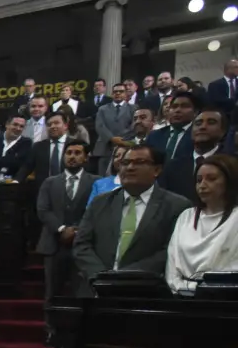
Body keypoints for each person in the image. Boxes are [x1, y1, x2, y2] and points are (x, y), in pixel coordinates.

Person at [71, 145, 192, 297]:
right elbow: (81, 245)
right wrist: (101, 278)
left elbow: (170, 251)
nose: (129, 167)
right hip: (96, 291)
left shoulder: (177, 206)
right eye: (125, 162)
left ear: (157, 170)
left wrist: (124, 278)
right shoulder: (100, 202)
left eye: (139, 162)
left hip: (145, 293)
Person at [36, 140, 97, 336]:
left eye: (78, 153)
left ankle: (81, 332)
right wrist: (62, 229)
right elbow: (43, 210)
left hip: (84, 245)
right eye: (69, 152)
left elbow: (96, 211)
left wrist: (77, 231)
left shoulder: (96, 182)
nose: (72, 156)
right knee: (52, 292)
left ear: (86, 157)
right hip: (54, 244)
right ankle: (51, 330)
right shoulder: (50, 182)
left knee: (82, 291)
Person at [167, 155, 238, 295]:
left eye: (211, 179)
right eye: (199, 180)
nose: (202, 185)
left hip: (226, 298)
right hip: (182, 297)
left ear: (230, 181)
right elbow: (172, 266)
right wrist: (184, 290)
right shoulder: (186, 216)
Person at [161, 106, 227, 201]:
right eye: (198, 123)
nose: (203, 127)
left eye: (211, 122)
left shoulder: (232, 164)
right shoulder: (172, 166)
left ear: (223, 131)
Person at [147, 92, 199, 168]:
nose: (177, 110)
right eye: (174, 107)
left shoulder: (198, 136)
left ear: (195, 112)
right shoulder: (154, 136)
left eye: (184, 106)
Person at [18, 111, 70, 186]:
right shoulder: (38, 146)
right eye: (49, 124)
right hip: (43, 188)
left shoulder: (75, 145)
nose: (52, 126)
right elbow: (26, 167)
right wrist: (16, 181)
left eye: (56, 123)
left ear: (65, 126)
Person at [94, 83, 134, 175]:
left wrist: (122, 140)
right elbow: (100, 126)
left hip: (125, 146)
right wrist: (112, 138)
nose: (118, 93)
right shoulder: (102, 109)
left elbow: (133, 126)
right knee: (103, 177)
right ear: (112, 94)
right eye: (115, 92)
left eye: (121, 91)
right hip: (105, 148)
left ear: (125, 94)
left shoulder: (133, 108)